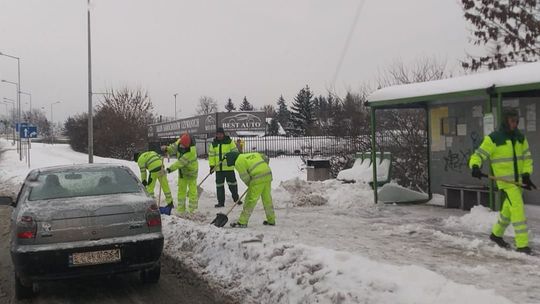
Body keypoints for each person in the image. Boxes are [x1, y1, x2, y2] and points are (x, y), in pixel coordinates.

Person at [469, 107, 535, 255]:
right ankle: (522, 245)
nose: (515, 124)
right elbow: (478, 155)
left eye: (517, 121)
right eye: (512, 121)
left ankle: (496, 235)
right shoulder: (494, 138)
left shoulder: (520, 138)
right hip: (506, 182)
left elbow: (527, 158)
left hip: (518, 183)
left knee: (507, 211)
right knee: (518, 208)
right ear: (505, 121)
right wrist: (475, 166)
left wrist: (526, 175)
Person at [224, 151, 275, 228]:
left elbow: (244, 177)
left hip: (257, 178)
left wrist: (250, 185)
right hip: (267, 174)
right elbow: (265, 158)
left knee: (250, 200)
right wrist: (264, 168)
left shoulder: (238, 162)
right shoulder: (251, 154)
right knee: (267, 199)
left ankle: (242, 222)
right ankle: (271, 220)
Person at [164, 133, 199, 214]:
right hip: (182, 173)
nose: (182, 147)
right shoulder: (180, 141)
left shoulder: (191, 152)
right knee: (181, 191)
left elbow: (180, 162)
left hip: (191, 173)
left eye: (184, 146)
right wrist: (167, 149)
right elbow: (173, 148)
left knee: (192, 192)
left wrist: (169, 169)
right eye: (181, 145)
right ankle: (181, 210)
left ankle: (192, 211)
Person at [134, 150, 175, 215]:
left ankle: (152, 204)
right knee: (165, 186)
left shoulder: (140, 159)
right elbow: (160, 158)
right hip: (161, 168)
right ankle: (170, 203)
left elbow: (143, 172)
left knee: (150, 188)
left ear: (136, 158)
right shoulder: (150, 152)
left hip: (153, 170)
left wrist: (144, 181)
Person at [209, 127, 240, 207]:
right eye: (218, 134)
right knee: (219, 186)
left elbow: (235, 152)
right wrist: (212, 166)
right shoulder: (214, 144)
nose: (219, 135)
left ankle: (236, 199)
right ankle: (221, 202)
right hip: (218, 169)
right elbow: (211, 155)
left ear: (223, 134)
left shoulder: (229, 142)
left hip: (229, 168)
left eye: (220, 134)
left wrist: (228, 156)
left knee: (232, 184)